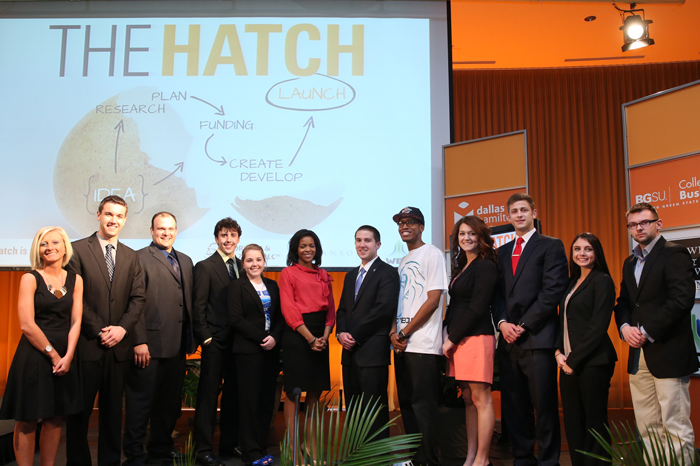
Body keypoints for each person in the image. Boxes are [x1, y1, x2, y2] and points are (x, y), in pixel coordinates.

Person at [66, 195, 146, 466]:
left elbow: (138, 299)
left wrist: (123, 329)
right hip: (89, 345)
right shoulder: (76, 250)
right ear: (98, 215)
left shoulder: (131, 256)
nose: (114, 220)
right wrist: (102, 330)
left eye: (119, 216)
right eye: (109, 214)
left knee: (113, 415)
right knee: (80, 414)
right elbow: (76, 300)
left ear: (124, 220)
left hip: (119, 350)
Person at [614, 202, 697, 463]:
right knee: (648, 428)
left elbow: (682, 299)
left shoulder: (675, 254)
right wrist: (625, 327)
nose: (638, 228)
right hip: (639, 358)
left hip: (668, 353)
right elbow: (624, 303)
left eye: (644, 222)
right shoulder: (630, 262)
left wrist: (646, 331)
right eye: (633, 224)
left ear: (658, 224)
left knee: (676, 427)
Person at [492, 193, 568, 466]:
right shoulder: (501, 252)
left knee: (544, 407)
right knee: (515, 408)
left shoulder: (551, 246)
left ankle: (549, 461)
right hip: (509, 342)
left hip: (538, 338)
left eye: (524, 210)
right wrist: (502, 324)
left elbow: (552, 292)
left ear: (534, 213)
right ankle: (522, 459)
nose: (519, 214)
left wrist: (522, 326)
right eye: (514, 211)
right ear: (509, 216)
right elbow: (497, 296)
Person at [0, 227, 83, 466]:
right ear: (38, 249)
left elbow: (76, 321)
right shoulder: (30, 278)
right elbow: (27, 324)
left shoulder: (75, 279)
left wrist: (68, 356)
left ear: (65, 247)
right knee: (26, 418)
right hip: (35, 354)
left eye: (55, 242)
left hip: (64, 355)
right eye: (43, 244)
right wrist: (54, 355)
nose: (49, 248)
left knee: (55, 417)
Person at [123, 212, 196, 466]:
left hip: (177, 346)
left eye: (171, 228)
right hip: (148, 346)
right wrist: (138, 340)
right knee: (140, 404)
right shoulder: (139, 258)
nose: (166, 233)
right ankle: (134, 455)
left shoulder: (185, 261)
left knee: (169, 406)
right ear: (152, 231)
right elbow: (133, 303)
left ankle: (161, 451)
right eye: (161, 229)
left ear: (176, 231)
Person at [389, 207, 448, 466]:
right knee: (408, 406)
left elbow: (433, 300)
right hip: (401, 344)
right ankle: (416, 459)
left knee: (423, 407)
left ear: (422, 227)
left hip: (423, 345)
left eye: (411, 222)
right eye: (402, 222)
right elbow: (398, 303)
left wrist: (404, 332)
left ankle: (428, 461)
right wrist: (394, 333)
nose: (405, 226)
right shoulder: (402, 261)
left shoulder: (432, 253)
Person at [555, 233, 617, 466]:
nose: (582, 253)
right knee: (573, 421)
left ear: (596, 253)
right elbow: (563, 321)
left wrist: (573, 360)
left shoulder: (602, 281)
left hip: (594, 362)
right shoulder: (571, 282)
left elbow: (598, 327)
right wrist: (558, 352)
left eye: (588, 249)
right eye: (577, 249)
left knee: (594, 422)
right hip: (567, 362)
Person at [442, 216, 498, 466]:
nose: (467, 238)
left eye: (472, 234)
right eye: (462, 233)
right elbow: (456, 306)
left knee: (481, 399)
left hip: (475, 337)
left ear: (481, 237)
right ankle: (471, 456)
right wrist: (446, 332)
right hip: (459, 339)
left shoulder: (486, 265)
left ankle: (482, 460)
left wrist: (452, 338)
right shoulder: (462, 265)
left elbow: (477, 308)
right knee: (468, 399)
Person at [336, 225, 399, 439]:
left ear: (378, 245)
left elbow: (383, 309)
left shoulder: (388, 272)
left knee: (374, 409)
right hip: (349, 352)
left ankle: (377, 458)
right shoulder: (350, 275)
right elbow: (342, 309)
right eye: (358, 240)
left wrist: (354, 335)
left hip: (372, 351)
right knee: (353, 409)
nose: (362, 245)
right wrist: (341, 333)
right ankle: (357, 454)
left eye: (367, 240)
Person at [192, 217, 243, 466]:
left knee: (234, 397)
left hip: (240, 345)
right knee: (208, 397)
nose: (228, 239)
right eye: (224, 235)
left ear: (238, 239)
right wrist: (206, 338)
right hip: (215, 343)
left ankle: (229, 445)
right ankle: (202, 450)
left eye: (233, 235)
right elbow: (198, 306)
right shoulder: (205, 266)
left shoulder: (244, 266)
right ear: (216, 238)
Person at [278, 229, 336, 444]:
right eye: (303, 246)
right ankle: (293, 450)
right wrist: (311, 339)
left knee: (314, 393)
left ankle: (311, 447)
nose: (307, 249)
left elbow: (331, 310)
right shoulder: (288, 273)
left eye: (311, 245)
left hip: (321, 336)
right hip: (298, 336)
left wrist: (325, 337)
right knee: (294, 392)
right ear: (295, 249)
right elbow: (289, 310)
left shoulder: (323, 275)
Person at [228, 244, 283, 466]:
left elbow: (280, 317)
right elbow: (236, 319)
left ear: (264, 261)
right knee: (249, 402)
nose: (254, 264)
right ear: (243, 263)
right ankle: (250, 452)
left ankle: (260, 447)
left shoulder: (272, 285)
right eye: (249, 260)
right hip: (248, 352)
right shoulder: (236, 287)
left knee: (266, 401)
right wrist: (263, 337)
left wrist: (275, 338)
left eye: (258, 259)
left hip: (271, 351)